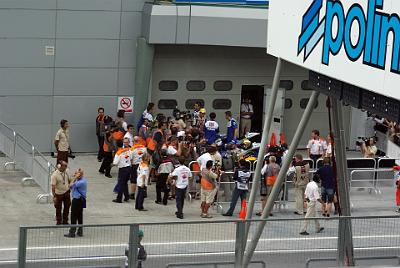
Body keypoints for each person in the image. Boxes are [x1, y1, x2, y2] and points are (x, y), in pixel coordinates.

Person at [64, 168, 87, 238]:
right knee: (79, 215)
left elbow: (70, 185)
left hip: (77, 200)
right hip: (80, 200)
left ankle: (72, 232)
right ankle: (80, 231)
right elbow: (71, 187)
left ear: (80, 174)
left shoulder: (82, 182)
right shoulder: (79, 180)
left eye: (76, 173)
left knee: (74, 216)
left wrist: (75, 178)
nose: (75, 174)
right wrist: (75, 177)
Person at [112, 138, 132, 203]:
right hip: (129, 168)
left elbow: (115, 162)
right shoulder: (128, 150)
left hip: (122, 169)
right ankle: (126, 197)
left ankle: (119, 199)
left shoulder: (118, 153)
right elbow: (131, 158)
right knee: (125, 183)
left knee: (121, 184)